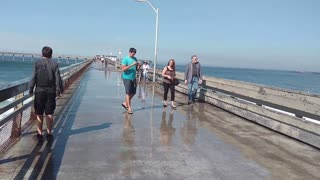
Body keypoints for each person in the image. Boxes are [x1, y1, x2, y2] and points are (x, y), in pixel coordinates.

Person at [29, 46, 63, 143]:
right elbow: (58, 79)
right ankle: (49, 134)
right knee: (49, 113)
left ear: (42, 54)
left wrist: (31, 89)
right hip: (51, 92)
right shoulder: (55, 64)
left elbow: (33, 78)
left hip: (39, 92)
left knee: (39, 113)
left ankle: (39, 135)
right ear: (51, 55)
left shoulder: (37, 63)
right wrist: (59, 90)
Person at [121, 48, 138, 114]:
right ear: (130, 52)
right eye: (133, 53)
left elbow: (136, 68)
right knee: (128, 93)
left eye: (134, 53)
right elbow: (123, 69)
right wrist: (131, 65)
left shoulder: (135, 59)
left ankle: (125, 103)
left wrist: (138, 66)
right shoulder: (125, 59)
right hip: (126, 77)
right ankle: (129, 108)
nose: (133, 54)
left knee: (133, 92)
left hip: (133, 77)